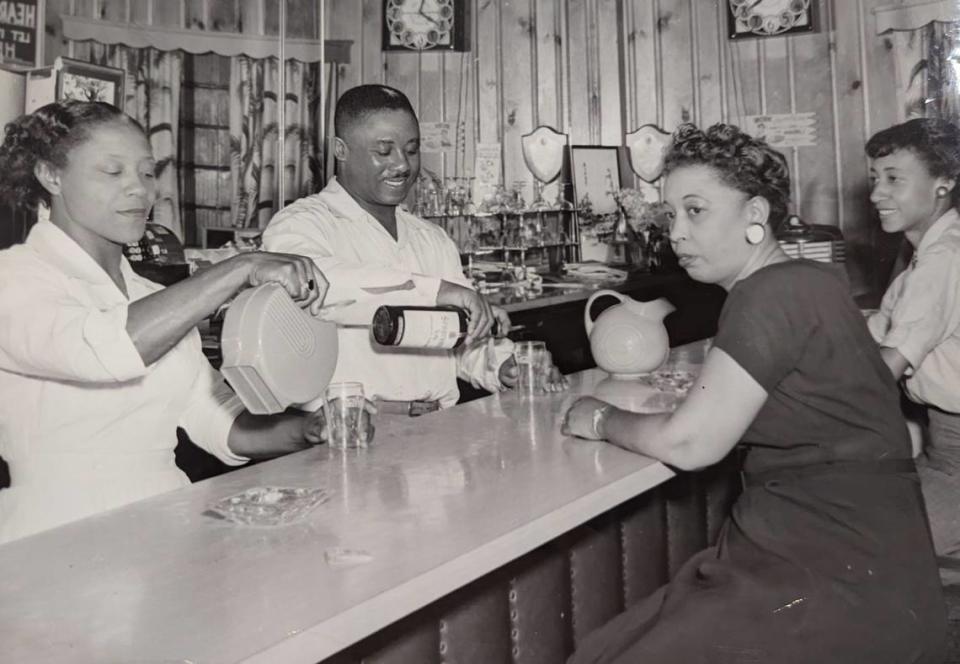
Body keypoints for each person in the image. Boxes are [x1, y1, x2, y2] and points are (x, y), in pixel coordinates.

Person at [561, 123, 946, 663]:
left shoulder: (768, 293)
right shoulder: (809, 280)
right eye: (670, 214)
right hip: (865, 560)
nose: (676, 232)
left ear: (756, 216)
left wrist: (598, 417)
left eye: (696, 211)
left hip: (827, 569)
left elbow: (693, 444)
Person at [0, 101, 339, 544]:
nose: (140, 190)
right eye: (112, 172)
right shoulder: (15, 278)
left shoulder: (151, 298)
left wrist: (308, 430)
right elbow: (104, 350)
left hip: (166, 524)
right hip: (60, 535)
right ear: (51, 175)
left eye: (146, 172)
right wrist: (240, 267)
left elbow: (219, 423)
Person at [263, 84, 564, 415]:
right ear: (341, 149)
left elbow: (462, 337)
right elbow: (316, 286)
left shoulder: (430, 238)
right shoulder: (300, 224)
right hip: (355, 432)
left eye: (411, 149)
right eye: (384, 151)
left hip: (440, 429)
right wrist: (435, 291)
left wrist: (504, 365)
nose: (402, 165)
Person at [865, 117, 960, 584]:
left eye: (894, 179)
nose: (876, 194)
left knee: (861, 548)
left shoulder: (943, 260)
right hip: (942, 449)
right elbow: (869, 335)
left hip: (957, 462)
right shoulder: (922, 257)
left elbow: (882, 370)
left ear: (944, 183)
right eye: (874, 179)